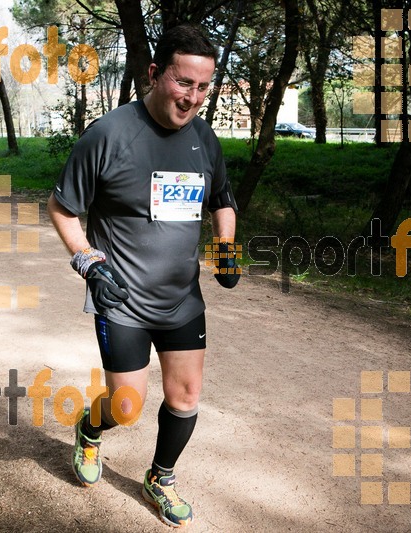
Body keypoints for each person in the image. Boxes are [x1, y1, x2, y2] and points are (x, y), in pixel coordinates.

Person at [47, 24, 240, 529]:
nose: (193, 98)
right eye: (183, 83)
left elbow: (223, 199)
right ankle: (90, 431)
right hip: (122, 299)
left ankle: (161, 476)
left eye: (203, 87)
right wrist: (87, 260)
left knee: (186, 397)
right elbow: (62, 208)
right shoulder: (110, 134)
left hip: (181, 300)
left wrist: (227, 248)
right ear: (155, 74)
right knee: (127, 405)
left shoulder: (203, 136)